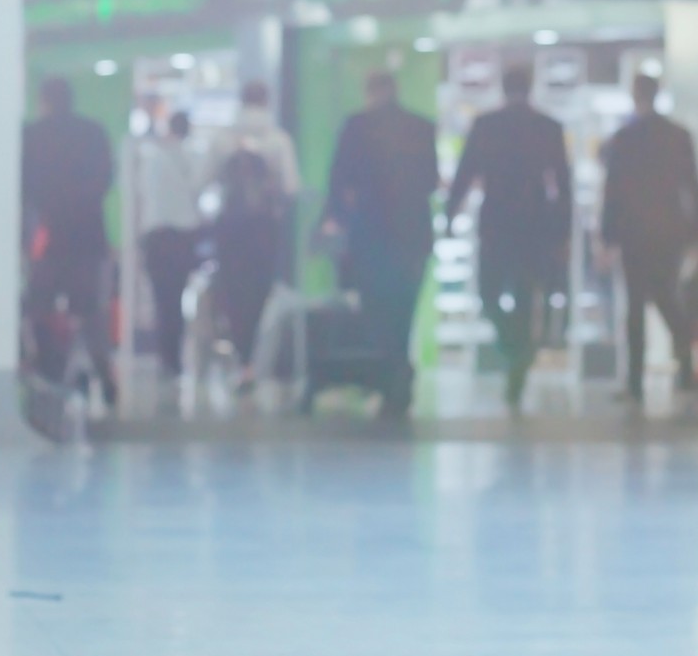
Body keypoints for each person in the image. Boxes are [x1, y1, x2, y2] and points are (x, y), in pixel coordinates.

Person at [447, 62, 574, 412]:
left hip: (496, 223)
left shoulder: (487, 125)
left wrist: (450, 215)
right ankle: (520, 352)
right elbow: (562, 186)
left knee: (488, 292)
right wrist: (563, 233)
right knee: (524, 296)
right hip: (535, 225)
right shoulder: (547, 128)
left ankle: (514, 352)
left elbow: (465, 173)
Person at [317, 70, 439, 418]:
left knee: (377, 311)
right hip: (413, 234)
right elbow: (431, 182)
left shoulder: (356, 127)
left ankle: (391, 377)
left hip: (371, 235)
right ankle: (400, 375)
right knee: (405, 310)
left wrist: (337, 221)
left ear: (369, 91)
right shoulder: (421, 127)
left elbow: (338, 180)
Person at [598, 71, 698, 404]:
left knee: (635, 306)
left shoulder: (624, 139)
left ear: (635, 95)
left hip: (634, 232)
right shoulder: (678, 136)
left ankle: (634, 381)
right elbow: (694, 187)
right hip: (670, 231)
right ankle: (686, 364)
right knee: (667, 296)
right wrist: (697, 232)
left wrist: (607, 236)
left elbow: (612, 190)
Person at [22, 76, 119, 404]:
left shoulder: (33, 137)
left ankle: (51, 370)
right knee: (91, 313)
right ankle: (105, 378)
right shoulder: (93, 133)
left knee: (39, 307)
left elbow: (25, 186)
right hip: (88, 236)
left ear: (44, 100)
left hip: (48, 237)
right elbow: (106, 179)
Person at [206, 135, 288, 397]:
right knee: (255, 304)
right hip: (259, 248)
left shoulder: (227, 213)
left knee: (235, 304)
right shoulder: (266, 216)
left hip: (234, 250)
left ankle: (244, 359)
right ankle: (251, 360)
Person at [133, 109, 206, 382]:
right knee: (177, 298)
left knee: (161, 298)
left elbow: (142, 195)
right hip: (184, 237)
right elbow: (200, 188)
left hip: (157, 235)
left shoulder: (152, 157)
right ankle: (174, 358)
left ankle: (166, 356)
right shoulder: (194, 157)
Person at [228, 81, 302, 286]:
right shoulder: (279, 140)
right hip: (265, 226)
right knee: (262, 286)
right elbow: (291, 187)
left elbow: (204, 181)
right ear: (266, 101)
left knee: (234, 286)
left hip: (231, 226)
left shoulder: (224, 139)